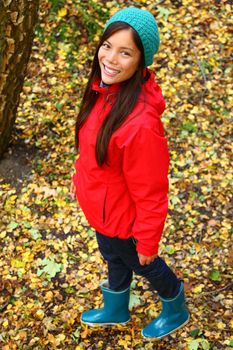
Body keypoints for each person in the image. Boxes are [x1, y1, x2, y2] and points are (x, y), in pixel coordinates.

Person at [70, 7, 190, 339]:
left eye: (125, 52)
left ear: (140, 61)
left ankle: (175, 306)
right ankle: (117, 308)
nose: (110, 58)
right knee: (114, 259)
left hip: (126, 222)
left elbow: (151, 190)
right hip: (102, 212)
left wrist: (148, 240)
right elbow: (94, 151)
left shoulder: (140, 124)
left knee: (144, 264)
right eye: (107, 45)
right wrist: (79, 179)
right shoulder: (103, 91)